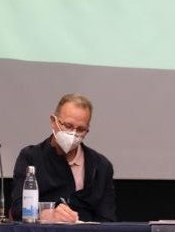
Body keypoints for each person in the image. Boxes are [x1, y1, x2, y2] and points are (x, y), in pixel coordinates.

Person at [10, 94, 116, 223]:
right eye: (68, 126)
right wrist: (45, 215)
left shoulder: (101, 166)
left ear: (87, 131)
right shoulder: (31, 157)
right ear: (54, 122)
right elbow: (17, 209)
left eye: (81, 129)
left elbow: (108, 219)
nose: (73, 133)